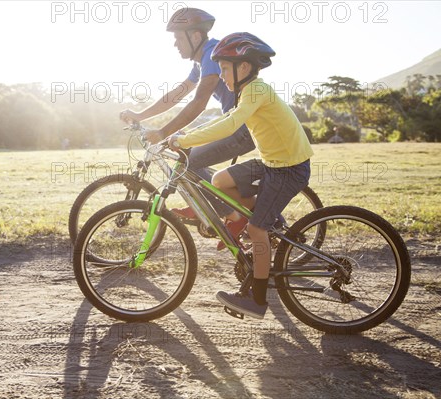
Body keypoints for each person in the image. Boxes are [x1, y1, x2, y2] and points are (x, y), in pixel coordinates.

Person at [167, 32, 314, 319]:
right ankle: (248, 215)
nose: (221, 75)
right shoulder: (247, 91)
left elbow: (233, 123)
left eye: (223, 68)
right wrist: (186, 134)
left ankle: (257, 300)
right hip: (273, 163)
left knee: (258, 231)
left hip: (289, 169)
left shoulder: (256, 90)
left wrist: (186, 141)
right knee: (219, 180)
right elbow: (225, 118)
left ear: (243, 67)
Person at [119, 8, 256, 233]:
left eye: (178, 38)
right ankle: (215, 206)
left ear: (195, 37)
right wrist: (140, 115)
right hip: (233, 124)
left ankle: (232, 215)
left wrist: (164, 132)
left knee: (188, 163)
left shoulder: (213, 54)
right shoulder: (201, 62)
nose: (175, 44)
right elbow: (177, 94)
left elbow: (199, 102)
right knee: (188, 157)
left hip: (242, 128)